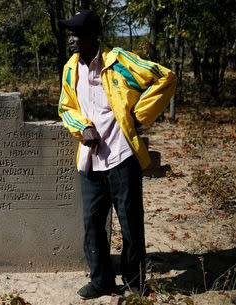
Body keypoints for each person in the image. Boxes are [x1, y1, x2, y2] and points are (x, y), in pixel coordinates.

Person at [58, 10, 176, 299]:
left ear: (94, 36)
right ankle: (101, 280)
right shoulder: (71, 69)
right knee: (93, 223)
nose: (72, 40)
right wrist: (83, 127)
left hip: (123, 156)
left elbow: (166, 78)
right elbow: (66, 107)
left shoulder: (119, 61)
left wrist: (139, 115)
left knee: (130, 222)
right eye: (70, 34)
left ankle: (134, 281)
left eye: (78, 34)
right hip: (91, 159)